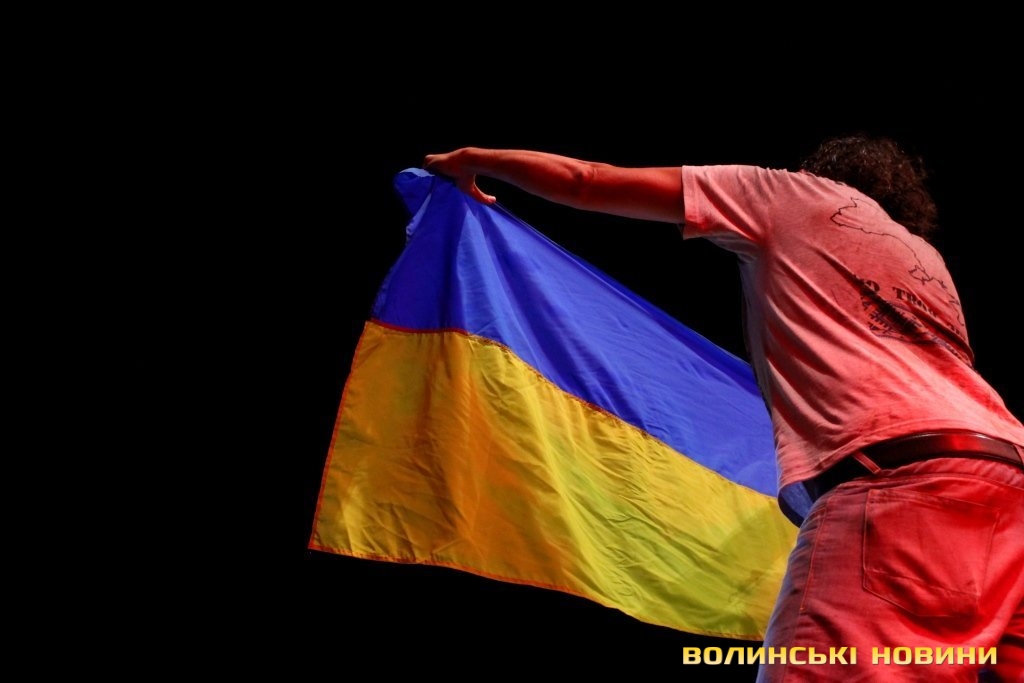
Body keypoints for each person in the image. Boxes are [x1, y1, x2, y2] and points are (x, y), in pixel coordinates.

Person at [423, 136, 1024, 682]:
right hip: (1008, 482)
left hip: (897, 481)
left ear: (820, 173)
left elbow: (589, 179)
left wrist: (479, 160)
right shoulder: (927, 261)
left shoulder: (788, 194)